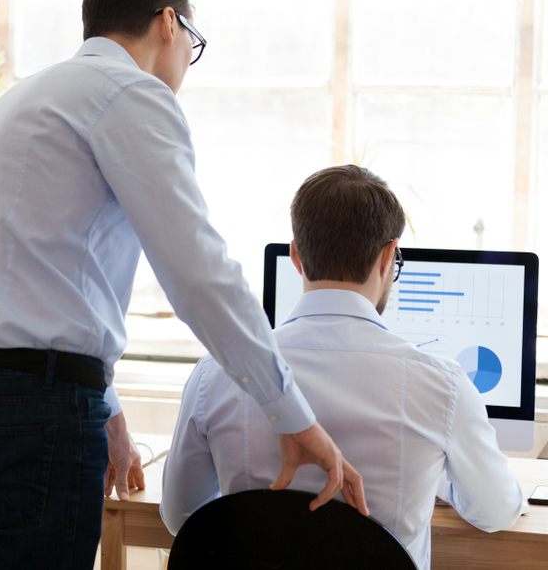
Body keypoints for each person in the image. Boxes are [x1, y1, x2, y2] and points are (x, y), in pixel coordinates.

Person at [0, 0, 366, 569]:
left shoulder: (22, 101)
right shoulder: (132, 95)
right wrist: (292, 414)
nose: (187, 59)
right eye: (193, 42)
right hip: (30, 411)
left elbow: (45, 281)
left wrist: (107, 408)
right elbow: (199, 273)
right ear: (167, 22)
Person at [161, 165, 527, 569]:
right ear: (388, 256)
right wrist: (437, 478)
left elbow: (180, 516)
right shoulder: (445, 386)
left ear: (295, 256)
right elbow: (496, 513)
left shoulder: (214, 374)